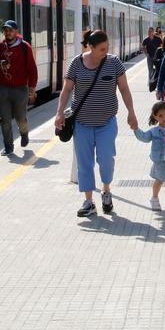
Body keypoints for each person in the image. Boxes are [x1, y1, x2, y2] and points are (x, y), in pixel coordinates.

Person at [54, 29, 138, 217]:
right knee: (85, 163)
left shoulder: (113, 62)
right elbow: (67, 89)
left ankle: (106, 191)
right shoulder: (77, 63)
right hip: (82, 123)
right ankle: (89, 201)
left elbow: (124, 88)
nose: (105, 52)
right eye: (101, 49)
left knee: (106, 160)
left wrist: (131, 112)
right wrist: (59, 113)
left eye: (106, 48)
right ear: (90, 47)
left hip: (106, 123)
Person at [0, 19, 38, 155]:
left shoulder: (24, 47)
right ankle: (8, 147)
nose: (7, 32)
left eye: (10, 30)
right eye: (5, 30)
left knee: (20, 118)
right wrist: (0, 66)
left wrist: (32, 87)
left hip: (20, 89)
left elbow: (32, 69)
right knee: (5, 119)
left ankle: (24, 133)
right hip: (3, 89)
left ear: (16, 32)